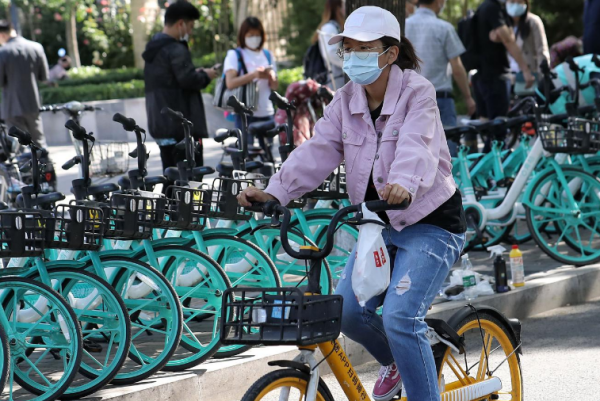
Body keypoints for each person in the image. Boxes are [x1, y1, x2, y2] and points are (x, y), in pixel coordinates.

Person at [238, 6, 466, 401]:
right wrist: (275, 191)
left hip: (429, 223)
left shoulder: (418, 92)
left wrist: (403, 182)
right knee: (344, 311)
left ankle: (416, 369)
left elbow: (418, 144)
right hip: (378, 225)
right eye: (348, 49)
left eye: (364, 48)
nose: (353, 57)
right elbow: (318, 151)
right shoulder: (344, 101)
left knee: (399, 317)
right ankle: (402, 359)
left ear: (390, 54)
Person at [143, 0, 218, 173]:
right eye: (190, 26)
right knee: (191, 179)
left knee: (171, 175)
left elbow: (170, 79)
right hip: (181, 127)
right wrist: (206, 75)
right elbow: (188, 80)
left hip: (161, 124)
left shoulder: (154, 47)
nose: (190, 32)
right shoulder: (175, 48)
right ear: (181, 24)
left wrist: (195, 72)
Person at [405, 0, 477, 155]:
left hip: (410, 100)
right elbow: (457, 68)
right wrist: (468, 97)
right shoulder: (444, 28)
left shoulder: (403, 26)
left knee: (415, 153)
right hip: (441, 100)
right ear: (439, 2)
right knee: (447, 155)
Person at [470, 0, 535, 152]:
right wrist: (525, 70)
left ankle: (484, 165)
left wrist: (505, 34)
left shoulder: (483, 7)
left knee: (489, 131)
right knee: (498, 134)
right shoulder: (493, 8)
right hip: (495, 77)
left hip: (482, 77)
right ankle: (491, 166)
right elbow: (508, 39)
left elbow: (505, 36)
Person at [223, 17, 278, 155]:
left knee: (267, 156)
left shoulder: (267, 54)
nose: (254, 38)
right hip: (244, 113)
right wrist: (254, 75)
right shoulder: (235, 55)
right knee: (246, 156)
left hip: (266, 112)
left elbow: (275, 87)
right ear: (243, 35)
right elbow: (230, 83)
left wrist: (271, 77)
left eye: (257, 35)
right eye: (251, 35)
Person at [0, 20, 49, 149]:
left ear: (2, 35)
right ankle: (45, 160)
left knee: (20, 146)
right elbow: (44, 77)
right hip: (33, 103)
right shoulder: (36, 47)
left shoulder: (3, 52)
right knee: (39, 141)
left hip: (11, 105)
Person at [506, 0, 549, 91]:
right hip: (508, 76)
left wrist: (542, 77)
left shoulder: (533, 21)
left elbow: (541, 51)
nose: (515, 4)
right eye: (512, 1)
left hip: (529, 76)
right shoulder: (503, 23)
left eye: (519, 2)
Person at [314, 0, 346, 90]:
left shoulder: (338, 26)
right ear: (338, 8)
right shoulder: (329, 27)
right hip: (336, 80)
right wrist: (350, 64)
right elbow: (330, 53)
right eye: (344, 5)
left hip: (342, 78)